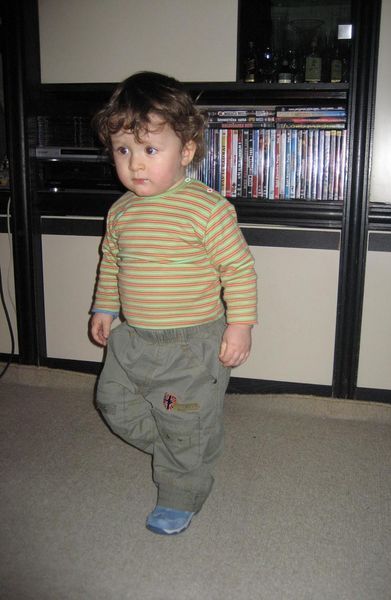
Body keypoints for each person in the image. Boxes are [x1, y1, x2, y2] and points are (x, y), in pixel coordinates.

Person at [89, 71, 257, 536]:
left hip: (190, 346)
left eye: (149, 149)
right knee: (112, 401)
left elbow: (238, 269)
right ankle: (188, 443)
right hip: (133, 339)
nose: (135, 165)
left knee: (180, 418)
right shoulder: (120, 212)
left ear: (185, 151)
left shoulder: (206, 209)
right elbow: (112, 264)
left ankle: (181, 489)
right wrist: (104, 308)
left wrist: (240, 324)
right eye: (123, 150)